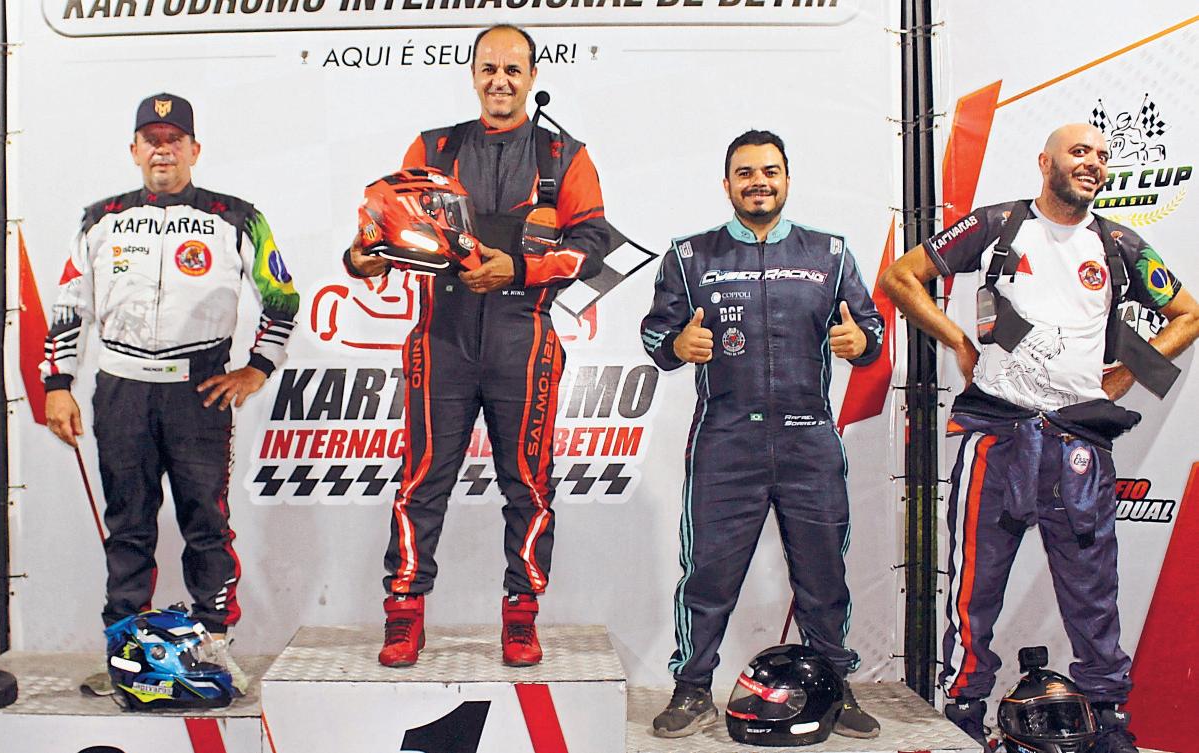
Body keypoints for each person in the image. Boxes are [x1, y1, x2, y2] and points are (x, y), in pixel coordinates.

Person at [880, 123, 1199, 753]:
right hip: (998, 437)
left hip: (1079, 445)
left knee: (1093, 596)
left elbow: (1188, 314)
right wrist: (959, 341)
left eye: (1102, 156)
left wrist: (1128, 373)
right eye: (1079, 152)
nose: (1093, 164)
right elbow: (900, 277)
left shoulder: (1120, 244)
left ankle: (1108, 720)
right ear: (1045, 162)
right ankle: (963, 712)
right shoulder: (996, 224)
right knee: (973, 591)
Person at [345, 24, 609, 668]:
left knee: (529, 486)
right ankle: (403, 612)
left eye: (513, 70)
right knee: (421, 480)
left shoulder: (564, 156)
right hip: (443, 338)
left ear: (533, 76)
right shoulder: (433, 147)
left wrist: (518, 269)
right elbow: (380, 229)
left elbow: (595, 248)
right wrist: (362, 258)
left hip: (526, 340)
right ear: (472, 75)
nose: (500, 81)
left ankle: (521, 615)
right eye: (489, 68)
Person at [41, 93, 299, 690]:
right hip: (122, 390)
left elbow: (282, 298)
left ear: (194, 149)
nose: (163, 150)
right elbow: (68, 305)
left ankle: (212, 649)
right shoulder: (101, 217)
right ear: (134, 150)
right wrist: (57, 384)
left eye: (174, 139)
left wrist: (257, 368)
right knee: (128, 525)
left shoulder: (236, 217)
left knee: (206, 523)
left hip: (197, 390)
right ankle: (124, 653)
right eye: (151, 140)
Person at [640, 130, 884, 739]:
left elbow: (872, 330)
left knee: (824, 577)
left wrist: (861, 341)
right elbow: (655, 334)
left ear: (787, 179)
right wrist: (677, 344)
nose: (759, 183)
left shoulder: (830, 252)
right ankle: (693, 688)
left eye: (770, 171)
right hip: (726, 442)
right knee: (708, 577)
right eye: (745, 173)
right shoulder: (689, 255)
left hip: (810, 441)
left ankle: (834, 687)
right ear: (727, 185)